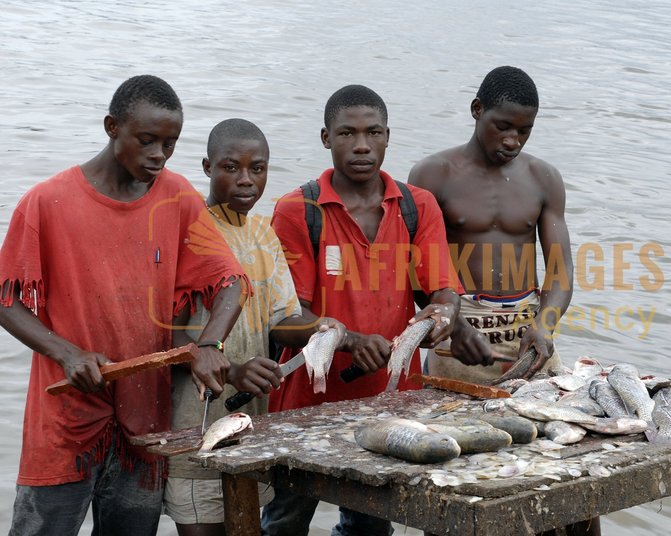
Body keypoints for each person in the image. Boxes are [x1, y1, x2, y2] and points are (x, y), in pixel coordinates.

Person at [0, 75, 247, 536]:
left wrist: (211, 341)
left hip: (144, 423)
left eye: (170, 144)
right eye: (147, 141)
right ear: (112, 127)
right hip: (66, 418)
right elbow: (6, 301)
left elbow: (230, 279)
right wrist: (67, 353)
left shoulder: (175, 196)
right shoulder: (47, 201)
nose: (159, 155)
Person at [261, 85, 463, 536]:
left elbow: (444, 293)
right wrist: (349, 340)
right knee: (285, 523)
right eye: (347, 133)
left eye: (373, 132)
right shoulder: (298, 210)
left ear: (388, 136)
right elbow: (286, 321)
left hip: (391, 404)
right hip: (304, 407)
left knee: (370, 529)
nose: (361, 145)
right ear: (325, 138)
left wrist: (438, 318)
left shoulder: (417, 205)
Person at [409, 67, 599, 536]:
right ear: (477, 112)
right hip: (460, 333)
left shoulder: (543, 179)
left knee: (571, 469)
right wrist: (453, 326)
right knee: (456, 473)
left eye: (525, 130)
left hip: (525, 332)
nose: (513, 139)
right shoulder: (433, 174)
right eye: (504, 126)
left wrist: (547, 324)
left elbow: (561, 271)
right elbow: (416, 271)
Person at [166, 118, 346, 536]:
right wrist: (234, 369)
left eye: (258, 168)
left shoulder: (264, 234)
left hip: (249, 430)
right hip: (194, 429)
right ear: (207, 167)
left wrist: (325, 329)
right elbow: (166, 337)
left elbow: (283, 319)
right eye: (232, 167)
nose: (246, 180)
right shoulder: (188, 232)